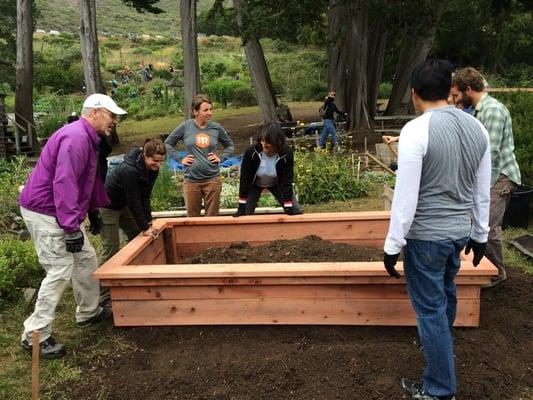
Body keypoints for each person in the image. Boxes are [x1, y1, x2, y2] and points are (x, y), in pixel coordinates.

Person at [383, 59, 491, 400]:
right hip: (459, 232)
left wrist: (392, 245)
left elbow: (406, 196)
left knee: (429, 310)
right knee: (446, 295)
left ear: (414, 95)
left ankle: (440, 389)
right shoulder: (478, 129)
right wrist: (481, 234)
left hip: (426, 236)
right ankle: (439, 347)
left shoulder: (416, 130)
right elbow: (481, 189)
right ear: (450, 91)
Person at [18, 93, 127, 358]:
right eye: (112, 116)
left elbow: (87, 181)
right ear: (95, 112)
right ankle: (35, 334)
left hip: (60, 212)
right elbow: (65, 183)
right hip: (46, 211)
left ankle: (89, 312)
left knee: (86, 259)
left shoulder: (89, 139)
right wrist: (69, 228)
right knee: (59, 269)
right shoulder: (76, 138)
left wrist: (92, 212)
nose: (114, 121)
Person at [451, 67, 521, 287]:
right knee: (481, 224)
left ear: (468, 89)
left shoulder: (492, 111)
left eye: (456, 95)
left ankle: (496, 273)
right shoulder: (480, 110)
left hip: (498, 176)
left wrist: (472, 184)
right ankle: (484, 269)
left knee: (488, 226)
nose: (454, 101)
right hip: (490, 175)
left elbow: (488, 154)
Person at [165, 94, 234, 217]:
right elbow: (168, 143)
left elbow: (230, 145)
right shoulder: (186, 126)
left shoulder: (216, 127)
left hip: (212, 180)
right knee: (192, 220)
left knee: (212, 219)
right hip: (191, 181)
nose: (209, 113)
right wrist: (180, 159)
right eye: (205, 110)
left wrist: (221, 158)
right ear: (195, 111)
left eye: (211, 109)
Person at [234, 122, 301, 216]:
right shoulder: (251, 152)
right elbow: (245, 179)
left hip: (276, 183)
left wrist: (288, 206)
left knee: (295, 210)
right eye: (262, 142)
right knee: (244, 213)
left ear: (277, 143)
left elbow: (287, 180)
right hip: (254, 184)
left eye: (268, 145)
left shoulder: (286, 153)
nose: (264, 146)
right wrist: (241, 205)